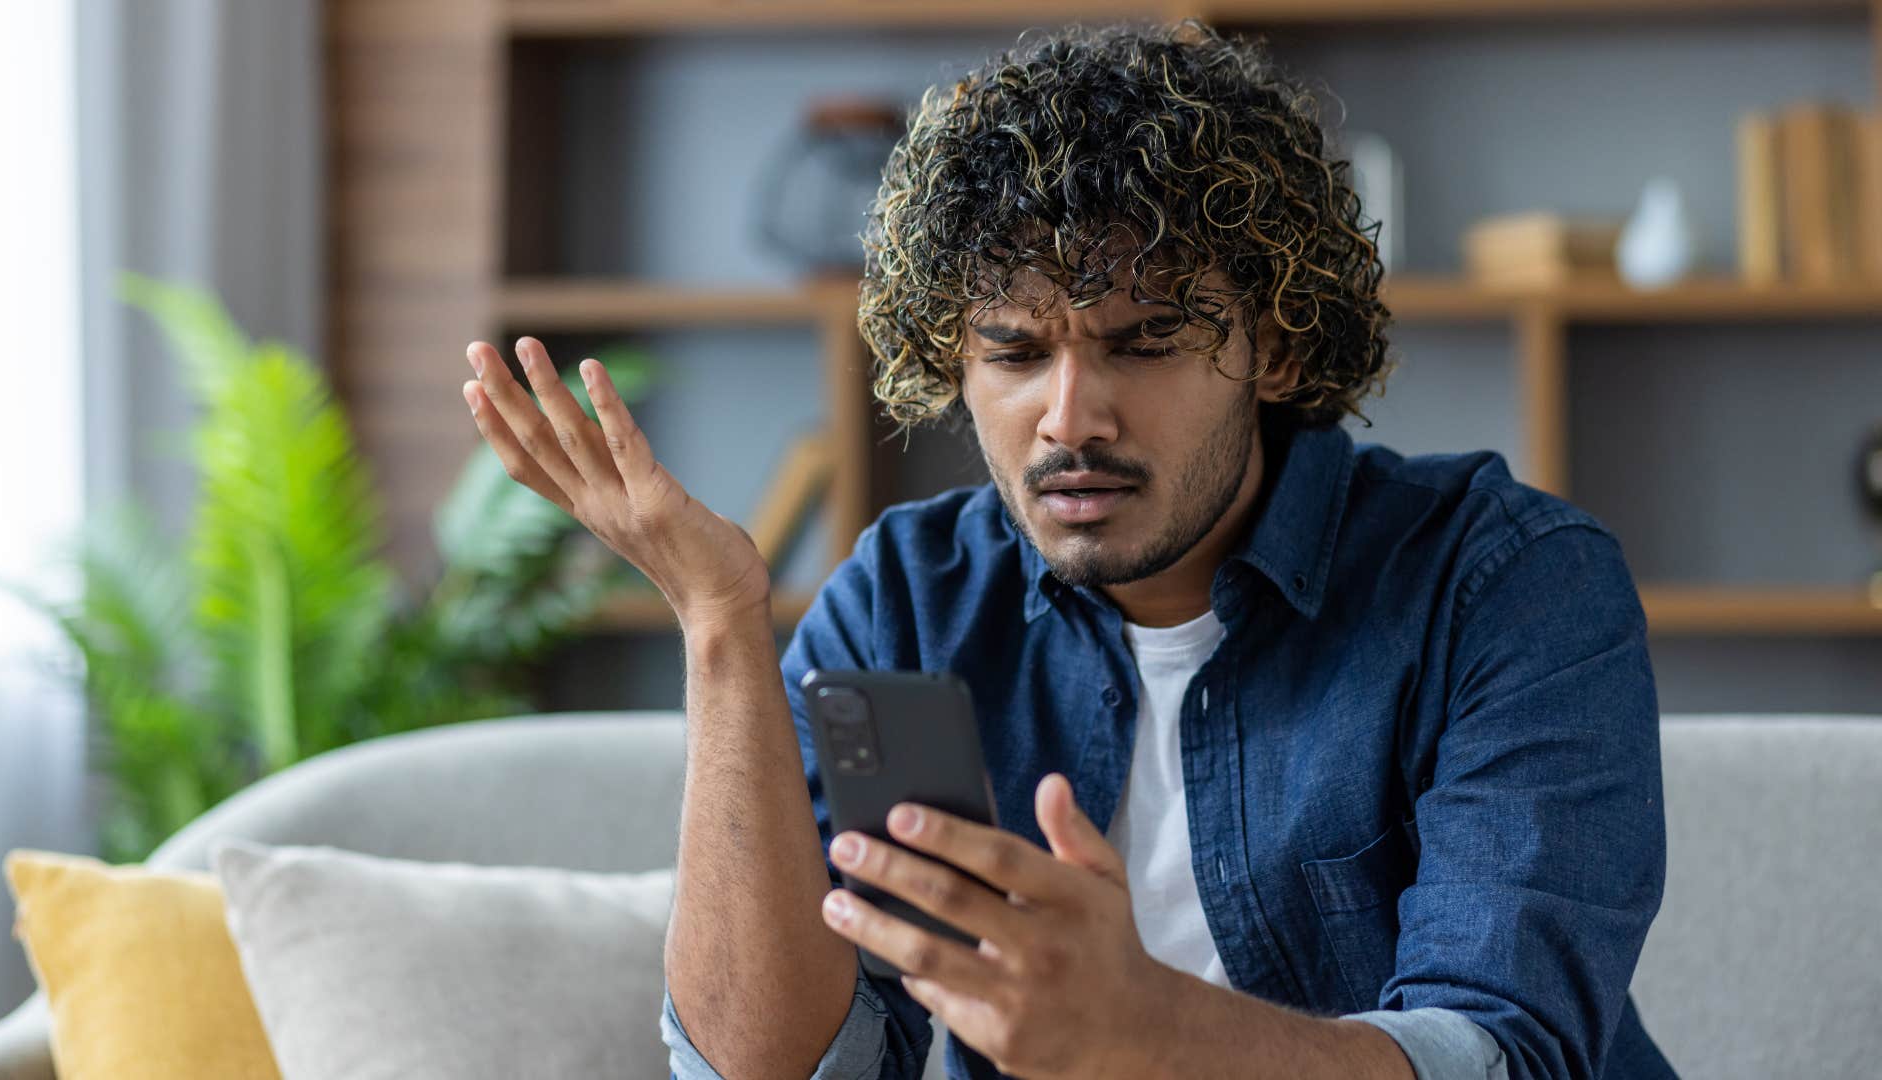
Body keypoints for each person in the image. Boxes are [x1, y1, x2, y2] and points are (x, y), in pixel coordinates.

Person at [460, 19, 1675, 1080]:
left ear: (1283, 350)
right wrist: (720, 622)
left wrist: (1152, 1036)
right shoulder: (908, 611)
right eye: (1016, 351)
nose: (1071, 416)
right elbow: (775, 1071)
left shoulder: (1500, 583)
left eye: (1145, 343)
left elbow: (1503, 1055)